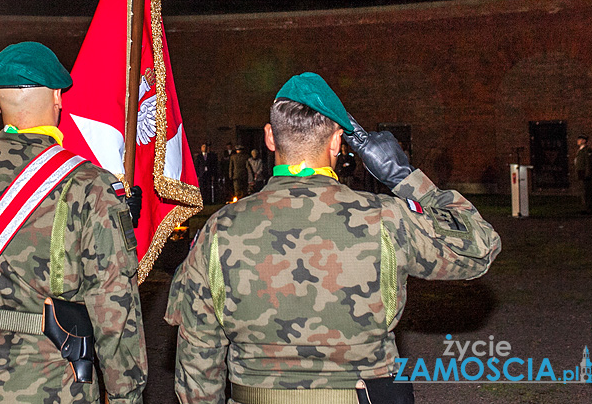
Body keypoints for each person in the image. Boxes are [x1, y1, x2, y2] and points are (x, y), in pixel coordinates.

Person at [166, 72, 501, 403]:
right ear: (337, 142)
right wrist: (404, 177)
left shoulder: (220, 229)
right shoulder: (385, 218)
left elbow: (197, 361)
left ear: (270, 137)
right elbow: (478, 248)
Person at [0, 41, 146, 404]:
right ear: (59, 97)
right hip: (51, 377)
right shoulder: (89, 183)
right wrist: (127, 393)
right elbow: (113, 303)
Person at [576, 135, 592, 214]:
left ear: (584, 141)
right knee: (583, 190)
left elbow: (588, 163)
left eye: (580, 139)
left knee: (587, 191)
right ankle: (584, 207)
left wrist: (588, 173)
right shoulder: (580, 150)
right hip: (581, 171)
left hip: (585, 172)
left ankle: (589, 208)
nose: (578, 141)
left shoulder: (587, 150)